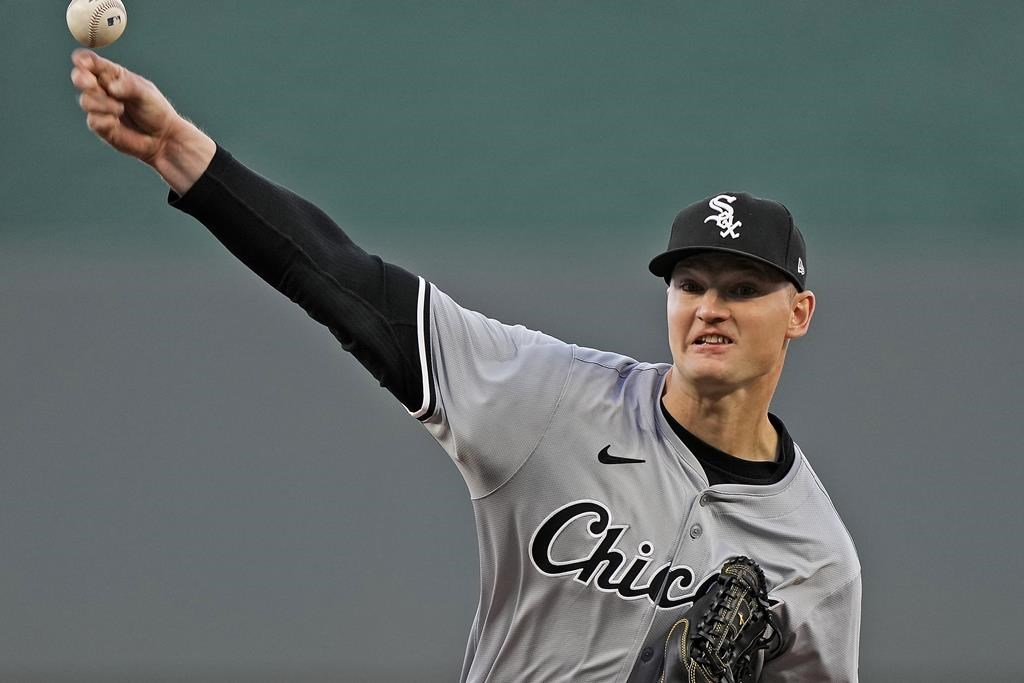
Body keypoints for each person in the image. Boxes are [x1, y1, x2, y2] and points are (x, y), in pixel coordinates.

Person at [70, 49, 861, 681]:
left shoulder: (817, 556)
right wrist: (180, 151)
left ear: (798, 312)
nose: (708, 307)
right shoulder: (553, 400)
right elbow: (354, 288)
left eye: (743, 288)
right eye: (690, 283)